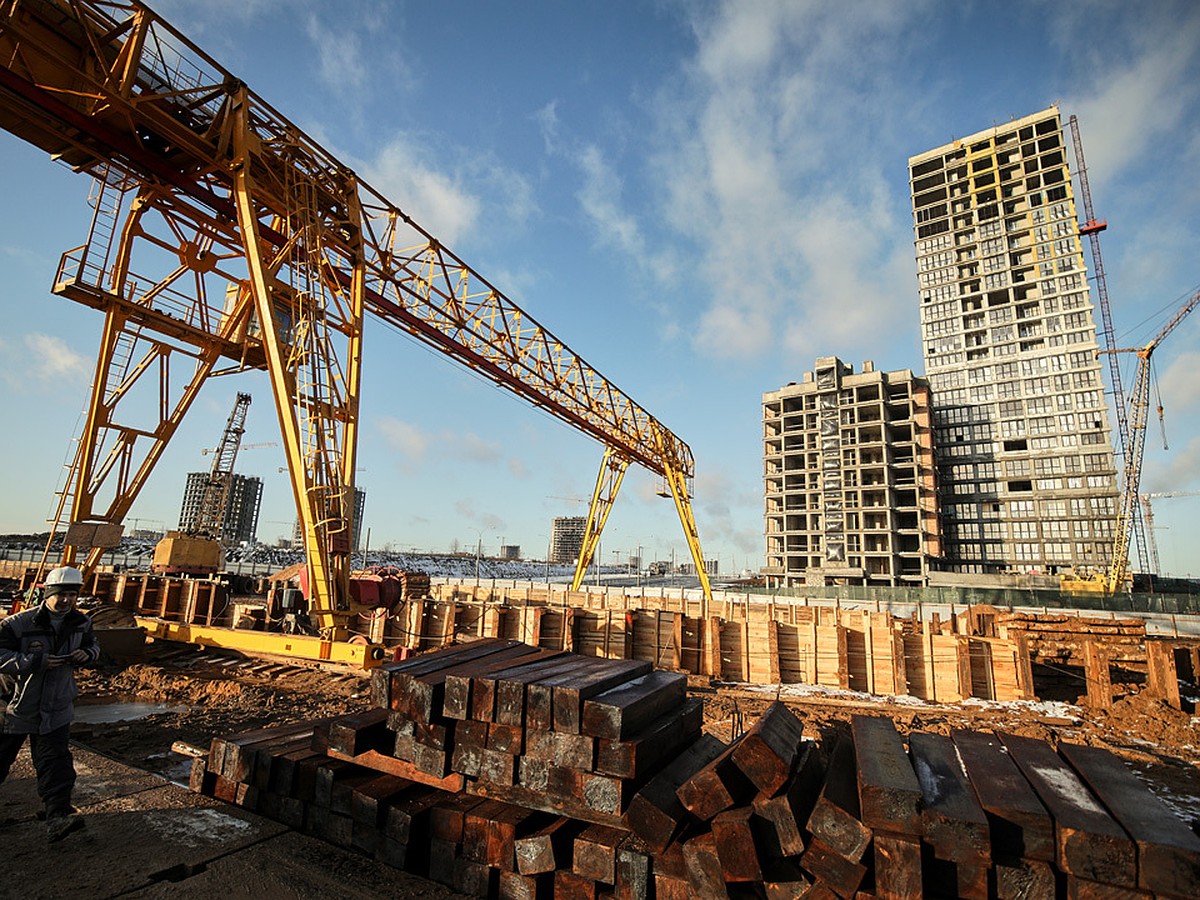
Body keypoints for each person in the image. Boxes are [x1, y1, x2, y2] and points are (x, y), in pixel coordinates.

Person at [0, 565, 101, 841]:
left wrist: (87, 655)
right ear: (47, 593)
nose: (67, 600)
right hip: (16, 707)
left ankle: (58, 817)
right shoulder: (17, 624)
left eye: (72, 595)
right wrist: (35, 662)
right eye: (62, 595)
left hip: (56, 708)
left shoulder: (81, 622)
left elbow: (95, 646)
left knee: (56, 765)